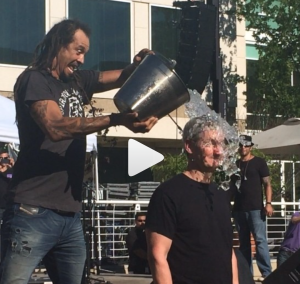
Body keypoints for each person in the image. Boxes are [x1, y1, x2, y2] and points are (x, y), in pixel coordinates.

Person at [0, 19, 157, 284]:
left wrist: (139, 65)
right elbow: (55, 127)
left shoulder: (77, 81)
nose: (82, 59)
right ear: (58, 45)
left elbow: (118, 77)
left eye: (85, 52)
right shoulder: (34, 79)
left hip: (70, 215)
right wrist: (116, 120)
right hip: (32, 211)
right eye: (78, 50)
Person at [145, 115, 239, 284]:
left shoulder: (219, 194)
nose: (218, 151)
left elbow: (228, 251)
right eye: (209, 143)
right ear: (189, 146)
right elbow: (157, 255)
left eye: (221, 144)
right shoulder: (168, 194)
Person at [232, 135, 273, 280]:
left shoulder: (259, 162)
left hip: (256, 208)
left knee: (260, 240)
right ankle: (246, 275)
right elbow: (230, 188)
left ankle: (267, 274)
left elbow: (267, 184)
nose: (243, 148)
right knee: (244, 244)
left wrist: (268, 203)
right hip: (239, 210)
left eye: (246, 145)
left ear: (251, 147)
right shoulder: (235, 164)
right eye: (241, 145)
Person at [0, 150, 14, 260]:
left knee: (7, 233)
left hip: (8, 206)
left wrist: (13, 166)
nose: (4, 160)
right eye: (2, 158)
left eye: (6, 157)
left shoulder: (12, 171)